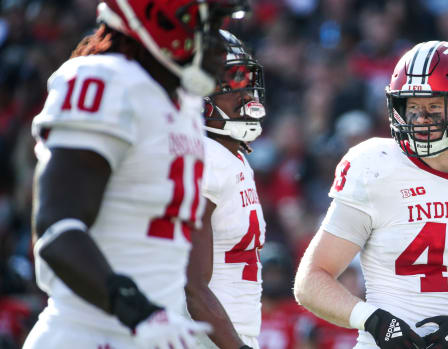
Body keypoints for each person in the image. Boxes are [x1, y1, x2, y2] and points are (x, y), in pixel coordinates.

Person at [23, 0, 248, 348]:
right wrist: (140, 311)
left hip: (153, 334)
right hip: (89, 335)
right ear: (165, 21)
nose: (219, 40)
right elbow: (57, 230)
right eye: (209, 23)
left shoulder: (181, 104)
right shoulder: (106, 80)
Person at [294, 40, 448, 349]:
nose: (420, 118)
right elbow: (310, 280)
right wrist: (372, 320)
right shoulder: (376, 166)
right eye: (411, 106)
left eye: (433, 107)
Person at [186, 30, 266, 349]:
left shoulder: (233, 159)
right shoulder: (203, 156)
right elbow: (191, 286)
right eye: (233, 82)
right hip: (206, 339)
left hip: (228, 336)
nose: (248, 94)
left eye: (247, 80)